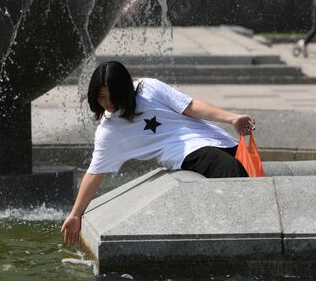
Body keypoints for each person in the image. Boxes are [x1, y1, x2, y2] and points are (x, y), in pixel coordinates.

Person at [60, 61, 256, 246]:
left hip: (217, 140)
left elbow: (190, 106)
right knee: (230, 169)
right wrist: (76, 214)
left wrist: (232, 118)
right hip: (187, 152)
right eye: (102, 97)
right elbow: (95, 172)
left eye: (113, 96)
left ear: (125, 90)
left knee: (245, 169)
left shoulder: (149, 88)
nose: (108, 103)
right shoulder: (109, 131)